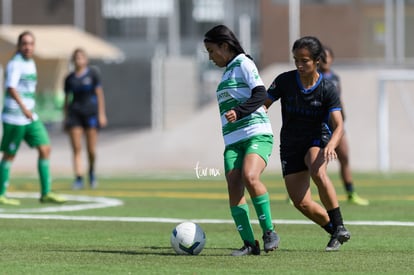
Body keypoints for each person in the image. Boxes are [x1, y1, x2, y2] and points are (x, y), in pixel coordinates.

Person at [265, 36, 350, 251]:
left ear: (317, 61)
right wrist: (257, 111)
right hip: (290, 144)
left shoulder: (327, 88)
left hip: (316, 138)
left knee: (317, 170)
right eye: (296, 60)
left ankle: (340, 225)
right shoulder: (284, 81)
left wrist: (331, 144)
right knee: (301, 203)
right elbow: (265, 103)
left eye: (305, 61)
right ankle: (334, 232)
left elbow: (339, 125)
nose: (300, 65)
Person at [204, 24, 280, 256]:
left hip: (256, 132)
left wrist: (239, 111)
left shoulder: (244, 63)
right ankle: (249, 244)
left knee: (250, 176)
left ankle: (269, 232)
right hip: (233, 141)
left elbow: (260, 93)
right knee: (234, 185)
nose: (210, 57)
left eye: (211, 51)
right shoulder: (227, 72)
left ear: (224, 46)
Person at [0, 31, 66, 205]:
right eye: (24, 44)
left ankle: (46, 193)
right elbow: (11, 88)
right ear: (19, 46)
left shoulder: (31, 63)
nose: (28, 47)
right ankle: (1, 193)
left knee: (45, 149)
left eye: (31, 44)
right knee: (9, 155)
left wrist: (30, 108)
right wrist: (24, 108)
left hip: (30, 116)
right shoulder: (16, 63)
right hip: (15, 117)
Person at [319, 46, 369, 206]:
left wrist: (342, 117)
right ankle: (295, 194)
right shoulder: (314, 77)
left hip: (337, 126)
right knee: (315, 163)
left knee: (345, 158)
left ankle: (351, 193)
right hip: (320, 126)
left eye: (328, 56)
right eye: (322, 57)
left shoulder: (335, 77)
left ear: (332, 58)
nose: (326, 60)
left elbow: (338, 100)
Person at [63, 48, 107, 190]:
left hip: (90, 114)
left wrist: (101, 114)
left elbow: (99, 95)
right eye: (76, 57)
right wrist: (65, 118)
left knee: (91, 150)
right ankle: (78, 178)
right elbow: (66, 100)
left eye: (81, 57)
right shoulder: (69, 79)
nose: (79, 60)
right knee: (76, 148)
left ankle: (92, 173)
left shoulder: (93, 74)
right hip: (75, 115)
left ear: (86, 60)